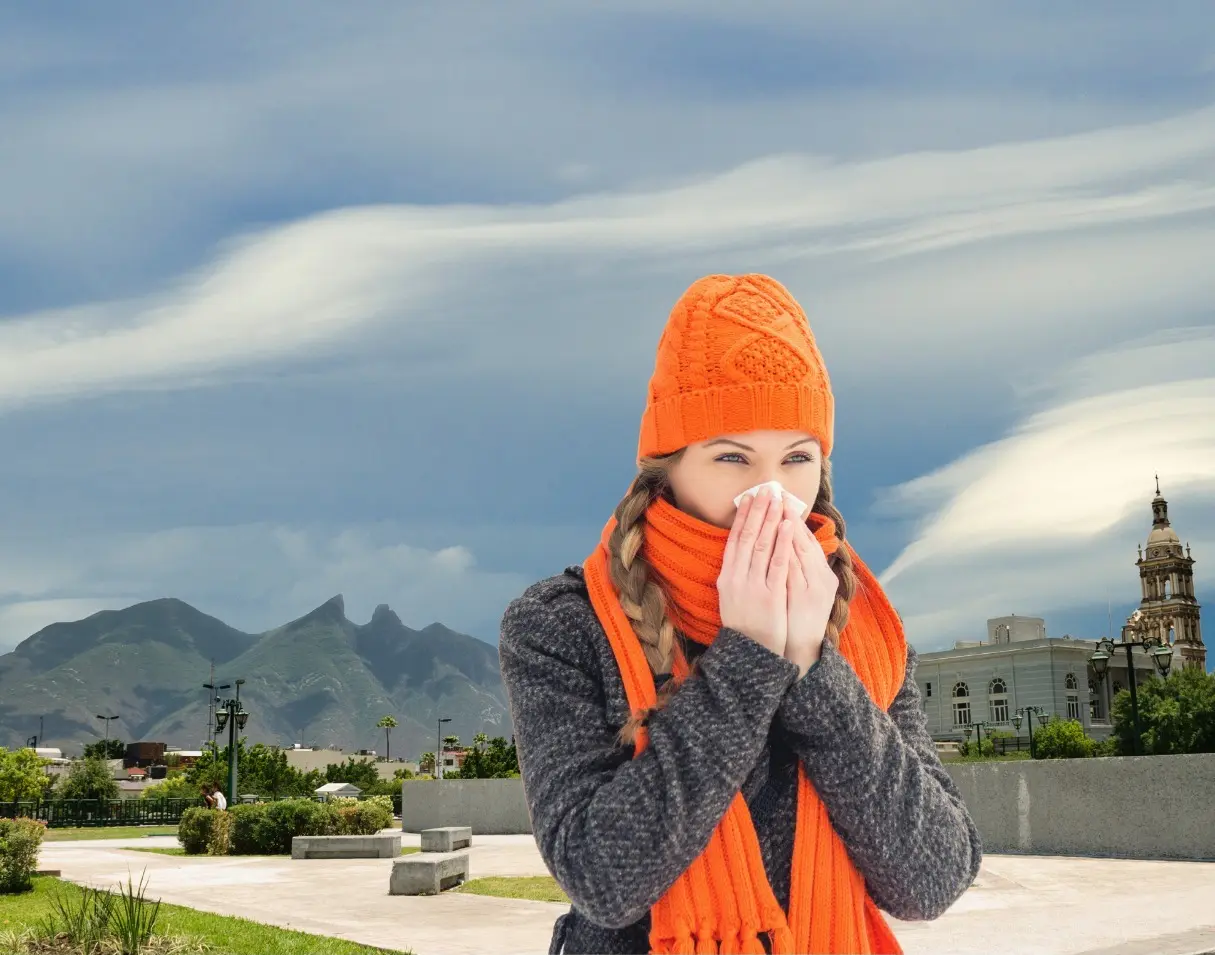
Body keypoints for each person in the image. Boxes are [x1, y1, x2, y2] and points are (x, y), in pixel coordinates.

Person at [498, 274, 983, 955]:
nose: (773, 494)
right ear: (665, 468)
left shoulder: (865, 627)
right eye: (731, 456)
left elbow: (930, 878)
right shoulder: (562, 624)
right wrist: (751, 656)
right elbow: (600, 877)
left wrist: (813, 666)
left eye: (795, 458)